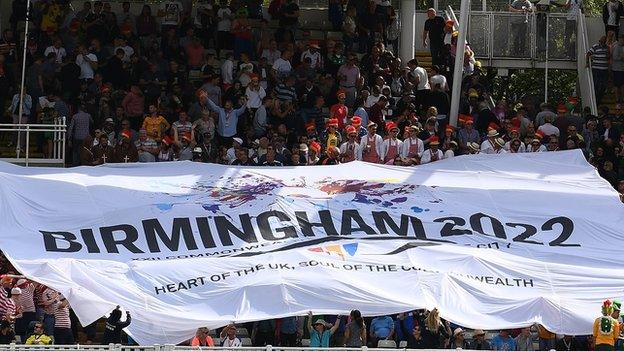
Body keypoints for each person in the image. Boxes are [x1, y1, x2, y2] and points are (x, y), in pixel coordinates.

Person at [587, 36, 610, 105]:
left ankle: (599, 100)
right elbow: (588, 54)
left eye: (604, 41)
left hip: (604, 70)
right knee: (596, 85)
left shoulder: (607, 47)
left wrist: (608, 52)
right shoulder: (595, 46)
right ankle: (596, 101)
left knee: (603, 86)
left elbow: (608, 57)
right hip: (596, 69)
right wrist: (587, 63)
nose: (602, 42)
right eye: (601, 41)